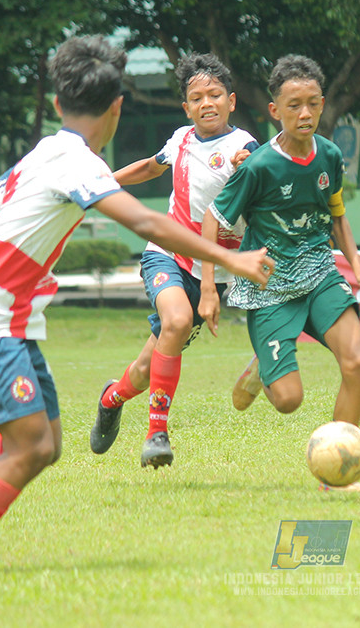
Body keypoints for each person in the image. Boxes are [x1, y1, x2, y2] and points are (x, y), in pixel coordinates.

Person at [0, 35, 274, 577]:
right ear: (117, 108)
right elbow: (147, 222)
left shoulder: (48, 149)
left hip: (3, 319)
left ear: (59, 105)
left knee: (45, 444)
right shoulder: (81, 167)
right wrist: (232, 261)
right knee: (28, 448)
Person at [204, 54, 360, 494]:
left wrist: (357, 267)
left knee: (356, 362)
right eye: (294, 105)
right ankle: (261, 369)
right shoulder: (259, 165)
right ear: (275, 111)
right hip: (270, 288)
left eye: (313, 104)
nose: (304, 114)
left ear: (322, 104)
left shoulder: (331, 155)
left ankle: (336, 478)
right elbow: (213, 219)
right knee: (288, 401)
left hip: (320, 272)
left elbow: (337, 214)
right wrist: (209, 286)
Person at [90, 53, 259, 469]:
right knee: (178, 321)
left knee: (147, 368)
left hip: (214, 270)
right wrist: (101, 183)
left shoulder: (244, 147)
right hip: (167, 254)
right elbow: (150, 168)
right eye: (197, 97)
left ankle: (111, 399)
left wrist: (248, 167)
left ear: (231, 101)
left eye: (215, 94)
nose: (207, 103)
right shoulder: (180, 138)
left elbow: (254, 177)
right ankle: (156, 435)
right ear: (186, 108)